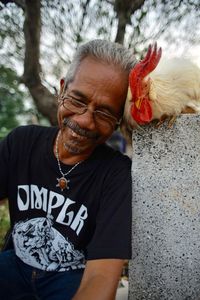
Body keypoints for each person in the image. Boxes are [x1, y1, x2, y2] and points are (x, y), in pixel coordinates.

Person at [0, 39, 136, 300]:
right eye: (77, 99)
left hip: (71, 280)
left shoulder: (117, 176)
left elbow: (99, 277)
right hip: (13, 266)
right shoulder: (21, 142)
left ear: (118, 121)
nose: (85, 120)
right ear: (62, 88)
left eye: (105, 113)